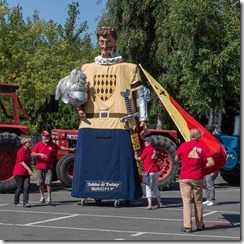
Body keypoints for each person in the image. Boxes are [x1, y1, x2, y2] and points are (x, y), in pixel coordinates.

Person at [55, 26, 150, 203]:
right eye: (102, 41)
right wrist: (78, 108)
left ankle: (123, 193)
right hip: (90, 124)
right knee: (92, 163)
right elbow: (78, 94)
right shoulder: (86, 68)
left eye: (109, 41)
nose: (105, 45)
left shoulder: (129, 68)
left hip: (119, 123)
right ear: (98, 42)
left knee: (119, 163)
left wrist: (143, 118)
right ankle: (90, 192)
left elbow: (141, 94)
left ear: (115, 42)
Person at [175, 128, 215, 233]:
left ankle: (187, 226)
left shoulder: (184, 145)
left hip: (184, 177)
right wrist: (202, 166)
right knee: (198, 202)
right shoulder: (203, 147)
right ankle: (200, 224)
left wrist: (184, 159)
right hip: (197, 177)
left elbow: (176, 158)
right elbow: (211, 163)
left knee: (186, 202)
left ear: (190, 135)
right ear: (199, 137)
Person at [31, 130, 75, 204]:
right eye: (45, 136)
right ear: (42, 136)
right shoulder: (38, 145)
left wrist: (70, 149)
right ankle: (42, 197)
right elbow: (32, 153)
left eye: (48, 136)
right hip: (40, 167)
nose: (47, 137)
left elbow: (60, 147)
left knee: (48, 183)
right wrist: (39, 155)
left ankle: (49, 197)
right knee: (40, 183)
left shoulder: (52, 144)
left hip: (49, 167)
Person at [135, 137, 163, 210]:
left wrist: (135, 155)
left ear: (149, 142)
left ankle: (149, 204)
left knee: (148, 187)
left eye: (146, 141)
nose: (144, 142)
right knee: (155, 187)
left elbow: (140, 159)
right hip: (156, 171)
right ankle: (159, 203)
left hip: (149, 171)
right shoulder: (154, 149)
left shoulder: (146, 149)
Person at [13, 136, 33, 207]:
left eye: (30, 142)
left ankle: (25, 202)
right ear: (24, 143)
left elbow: (30, 159)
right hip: (19, 171)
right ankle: (16, 202)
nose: (29, 143)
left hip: (26, 172)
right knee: (20, 187)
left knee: (27, 187)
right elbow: (22, 161)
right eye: (28, 142)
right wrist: (29, 169)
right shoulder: (21, 150)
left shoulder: (28, 151)